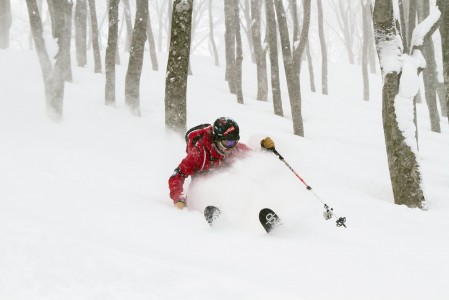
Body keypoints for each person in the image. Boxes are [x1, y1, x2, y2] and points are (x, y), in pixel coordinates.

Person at [168, 117, 275, 209]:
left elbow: (253, 159)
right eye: (227, 142)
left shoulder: (234, 148)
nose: (231, 146)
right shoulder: (199, 153)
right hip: (204, 181)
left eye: (234, 142)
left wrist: (265, 150)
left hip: (226, 181)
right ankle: (212, 209)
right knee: (205, 187)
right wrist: (179, 198)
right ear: (216, 139)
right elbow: (178, 175)